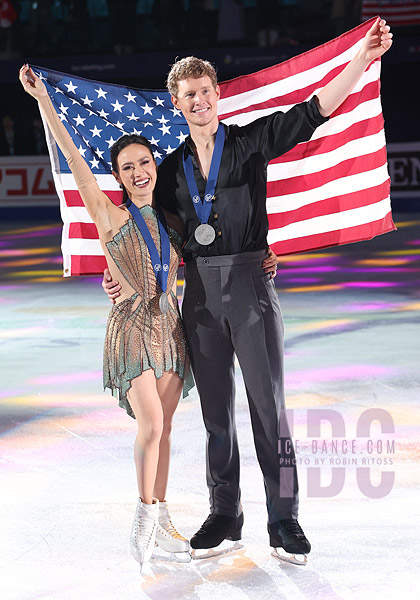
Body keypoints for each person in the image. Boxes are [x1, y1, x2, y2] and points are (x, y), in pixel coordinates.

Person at [103, 18, 393, 563]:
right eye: (188, 95)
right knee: (216, 414)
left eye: (205, 91)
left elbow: (313, 112)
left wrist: (361, 60)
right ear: (177, 102)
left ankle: (284, 519)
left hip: (251, 287)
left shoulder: (250, 141)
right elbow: (143, 228)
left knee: (269, 408)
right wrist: (115, 272)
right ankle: (225, 513)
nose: (199, 101)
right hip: (200, 301)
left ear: (217, 95)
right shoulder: (168, 172)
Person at [19, 64, 194, 567]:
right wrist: (42, 103)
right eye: (128, 167)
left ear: (154, 166)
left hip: (170, 329)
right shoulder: (110, 215)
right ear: (117, 176)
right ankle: (142, 517)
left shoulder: (171, 220)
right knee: (152, 427)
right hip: (133, 328)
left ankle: (163, 520)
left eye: (145, 162)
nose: (139, 172)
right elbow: (74, 157)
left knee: (166, 432)